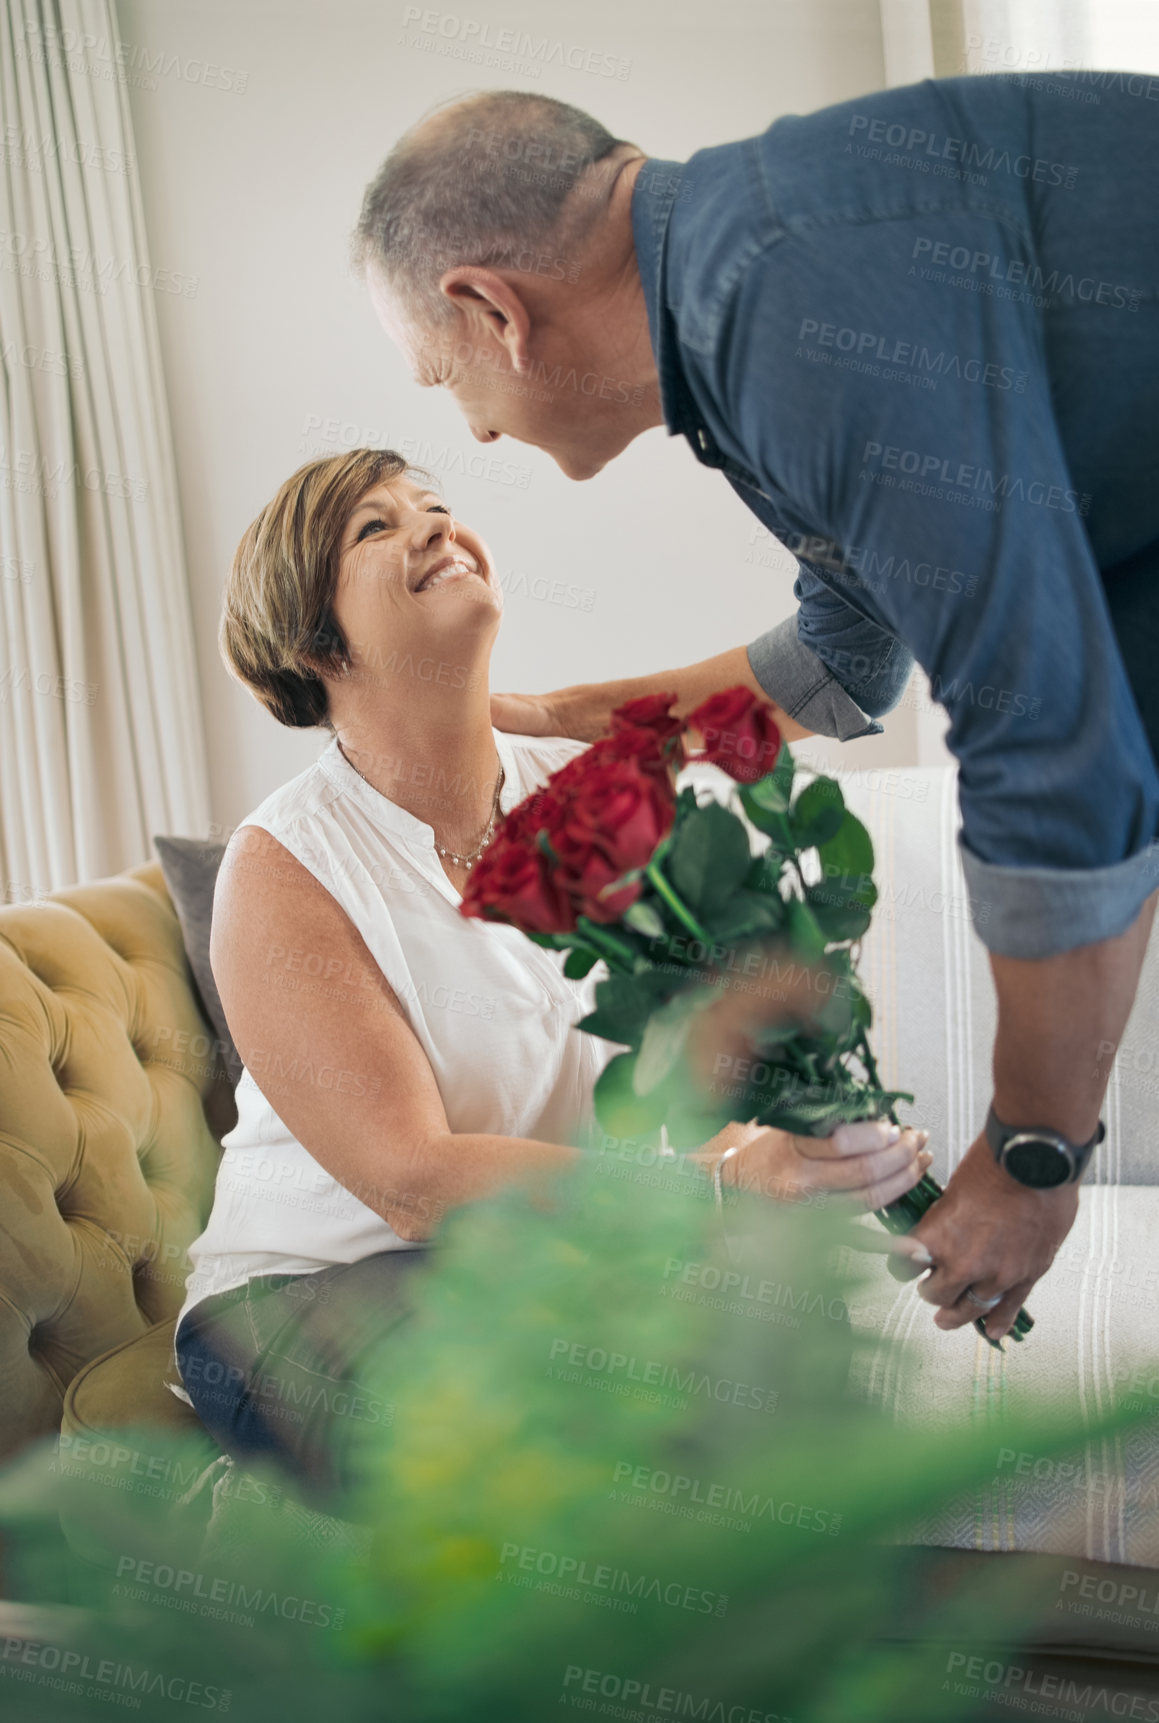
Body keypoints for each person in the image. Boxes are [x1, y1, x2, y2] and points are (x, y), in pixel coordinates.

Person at [351, 79, 1159, 1343]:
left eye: (441, 380)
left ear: (488, 308)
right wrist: (573, 717)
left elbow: (1046, 741)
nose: (477, 436)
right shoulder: (754, 288)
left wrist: (1030, 1154)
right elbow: (843, 654)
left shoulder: (789, 304)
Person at [173, 447, 932, 1498]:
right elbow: (415, 1181)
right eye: (377, 527)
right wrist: (715, 1190)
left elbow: (647, 1078)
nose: (435, 525)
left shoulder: (585, 789)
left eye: (436, 505)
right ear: (311, 634)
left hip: (533, 1263)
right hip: (305, 1311)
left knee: (780, 1329)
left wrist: (787, 1147)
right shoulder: (285, 867)